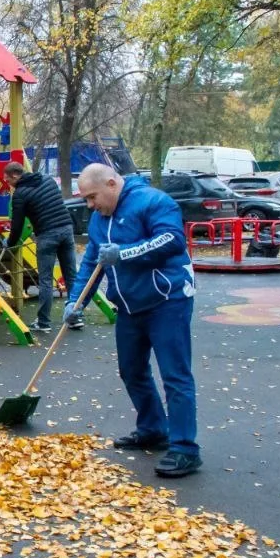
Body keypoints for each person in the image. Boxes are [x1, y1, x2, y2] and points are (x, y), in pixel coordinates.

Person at [64, 163, 201, 478]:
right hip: (128, 305)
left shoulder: (154, 202)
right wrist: (76, 302)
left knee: (175, 375)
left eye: (92, 197)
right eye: (86, 199)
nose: (89, 205)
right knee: (131, 370)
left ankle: (185, 448)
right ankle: (154, 428)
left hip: (168, 299)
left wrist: (124, 253)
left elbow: (171, 240)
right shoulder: (100, 220)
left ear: (112, 184)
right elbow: (91, 263)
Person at [3, 161, 79, 333]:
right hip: (67, 229)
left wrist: (10, 244)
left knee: (45, 280)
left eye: (8, 180)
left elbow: (17, 225)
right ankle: (76, 316)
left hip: (47, 234)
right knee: (71, 276)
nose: (8, 184)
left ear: (15, 176)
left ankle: (43, 322)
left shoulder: (20, 194)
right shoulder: (47, 179)